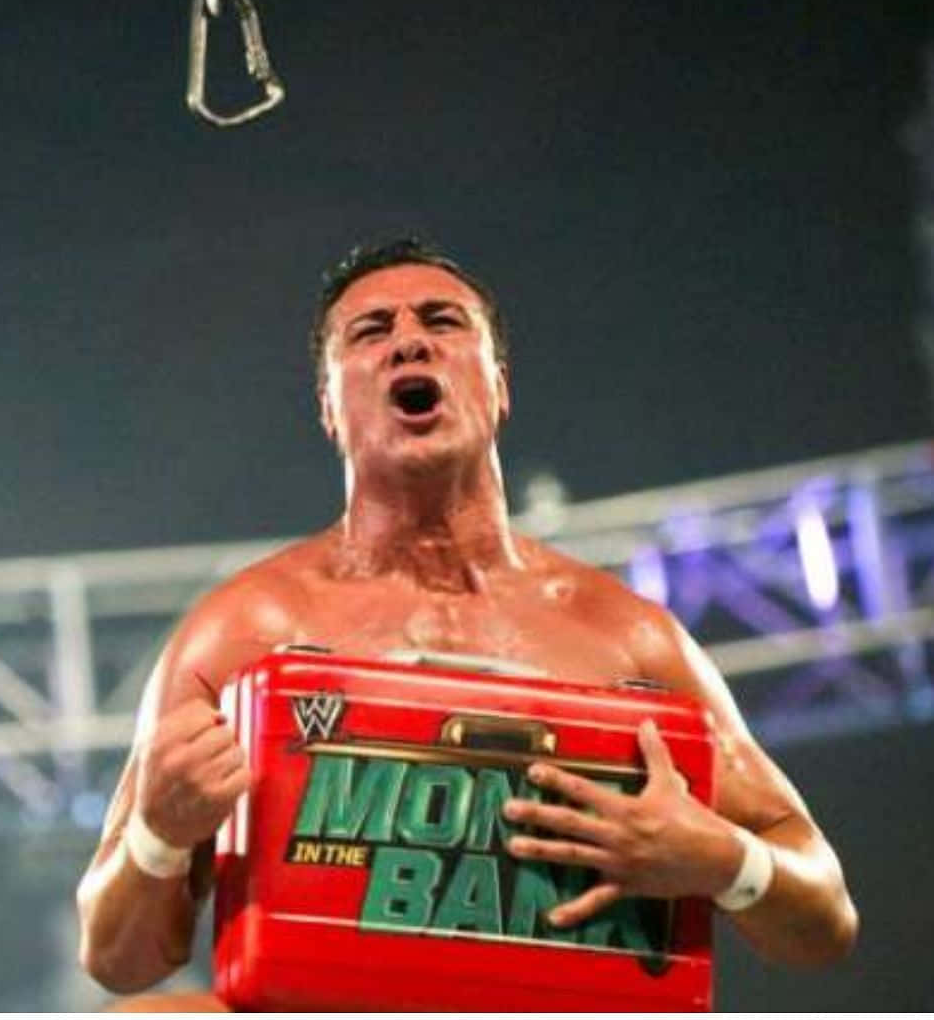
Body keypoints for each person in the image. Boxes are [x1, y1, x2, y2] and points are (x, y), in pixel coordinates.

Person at [74, 239, 858, 1004]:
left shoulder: (630, 640)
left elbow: (825, 917)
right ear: (329, 409)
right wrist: (159, 836)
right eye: (370, 332)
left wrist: (722, 860)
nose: (409, 342)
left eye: (442, 322)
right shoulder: (244, 632)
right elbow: (114, 956)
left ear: (499, 386)